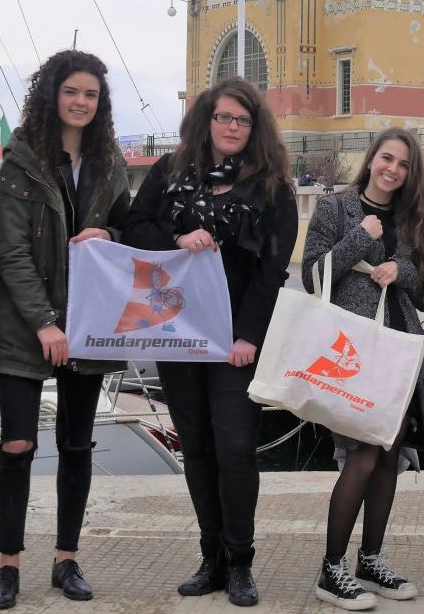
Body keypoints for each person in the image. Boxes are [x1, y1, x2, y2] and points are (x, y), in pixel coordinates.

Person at [122, 76, 297, 607]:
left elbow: (272, 272)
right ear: (206, 120)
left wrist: (248, 336)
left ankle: (241, 560)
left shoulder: (272, 188)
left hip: (233, 342)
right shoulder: (170, 174)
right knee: (196, 447)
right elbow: (133, 227)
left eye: (242, 120)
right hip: (177, 335)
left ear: (254, 127)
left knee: (237, 449)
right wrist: (176, 237)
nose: (232, 127)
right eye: (223, 117)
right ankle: (211, 558)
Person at [0, 50, 130, 609]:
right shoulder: (20, 161)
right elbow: (13, 255)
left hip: (90, 325)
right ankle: (8, 566)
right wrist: (45, 322)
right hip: (28, 328)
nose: (81, 102)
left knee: (76, 445)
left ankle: (66, 560)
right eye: (72, 91)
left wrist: (110, 235)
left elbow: (132, 223)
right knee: (17, 445)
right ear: (52, 94)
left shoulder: (111, 161)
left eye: (91, 94)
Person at [301, 128, 424, 611]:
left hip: (400, 349)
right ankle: (332, 568)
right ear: (372, 159)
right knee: (361, 452)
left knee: (389, 454)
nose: (393, 170)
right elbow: (313, 276)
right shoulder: (335, 209)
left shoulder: (414, 218)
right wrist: (362, 238)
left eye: (403, 164)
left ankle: (371, 559)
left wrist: (398, 271)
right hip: (353, 351)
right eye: (387, 158)